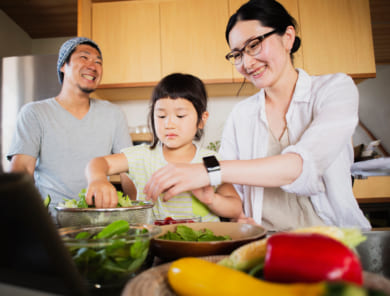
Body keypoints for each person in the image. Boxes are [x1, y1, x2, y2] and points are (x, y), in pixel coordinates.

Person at [143, 0, 371, 230]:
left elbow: (301, 166)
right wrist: (235, 214)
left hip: (336, 240)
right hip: (265, 242)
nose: (247, 62)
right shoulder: (241, 114)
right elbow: (233, 192)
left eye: (253, 45)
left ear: (288, 38)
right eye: (237, 54)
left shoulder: (335, 89)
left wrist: (208, 171)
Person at [85, 73, 242, 221]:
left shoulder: (210, 160)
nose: (169, 124)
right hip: (155, 244)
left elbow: (235, 208)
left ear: (201, 119)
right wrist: (98, 179)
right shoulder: (141, 156)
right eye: (161, 116)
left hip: (202, 245)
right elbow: (98, 163)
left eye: (180, 116)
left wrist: (212, 199)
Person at [7, 37, 132, 212]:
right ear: (63, 66)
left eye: (98, 61)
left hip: (100, 221)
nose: (93, 65)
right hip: (51, 223)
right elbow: (22, 170)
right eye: (84, 57)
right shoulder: (35, 113)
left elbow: (129, 168)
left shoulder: (114, 114)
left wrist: (136, 211)